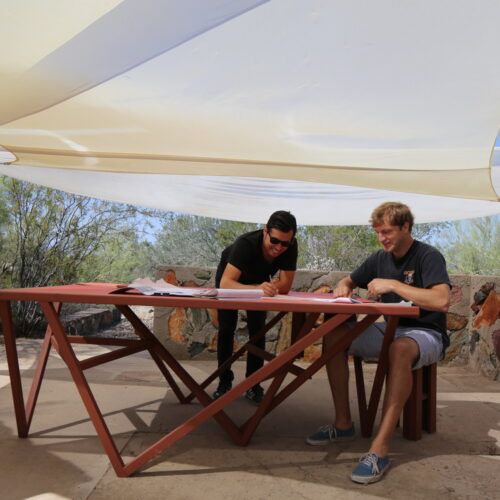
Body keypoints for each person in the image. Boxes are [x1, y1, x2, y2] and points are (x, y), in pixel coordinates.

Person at [306, 202, 450, 484]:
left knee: (400, 349)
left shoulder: (428, 256)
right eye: (378, 232)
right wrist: (345, 286)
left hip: (426, 333)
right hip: (389, 329)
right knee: (334, 335)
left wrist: (393, 285)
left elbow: (442, 300)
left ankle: (379, 449)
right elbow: (349, 279)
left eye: (387, 232)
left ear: (406, 227)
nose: (382, 238)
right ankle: (343, 424)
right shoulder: (378, 258)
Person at [213, 210, 298, 404]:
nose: (279, 248)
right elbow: (226, 283)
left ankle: (253, 384)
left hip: (260, 282)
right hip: (232, 279)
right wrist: (258, 288)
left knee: (258, 331)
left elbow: (285, 285)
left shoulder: (290, 245)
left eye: (285, 243)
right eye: (274, 241)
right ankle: (224, 381)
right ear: (265, 231)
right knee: (227, 329)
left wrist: (265, 288)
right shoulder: (245, 243)